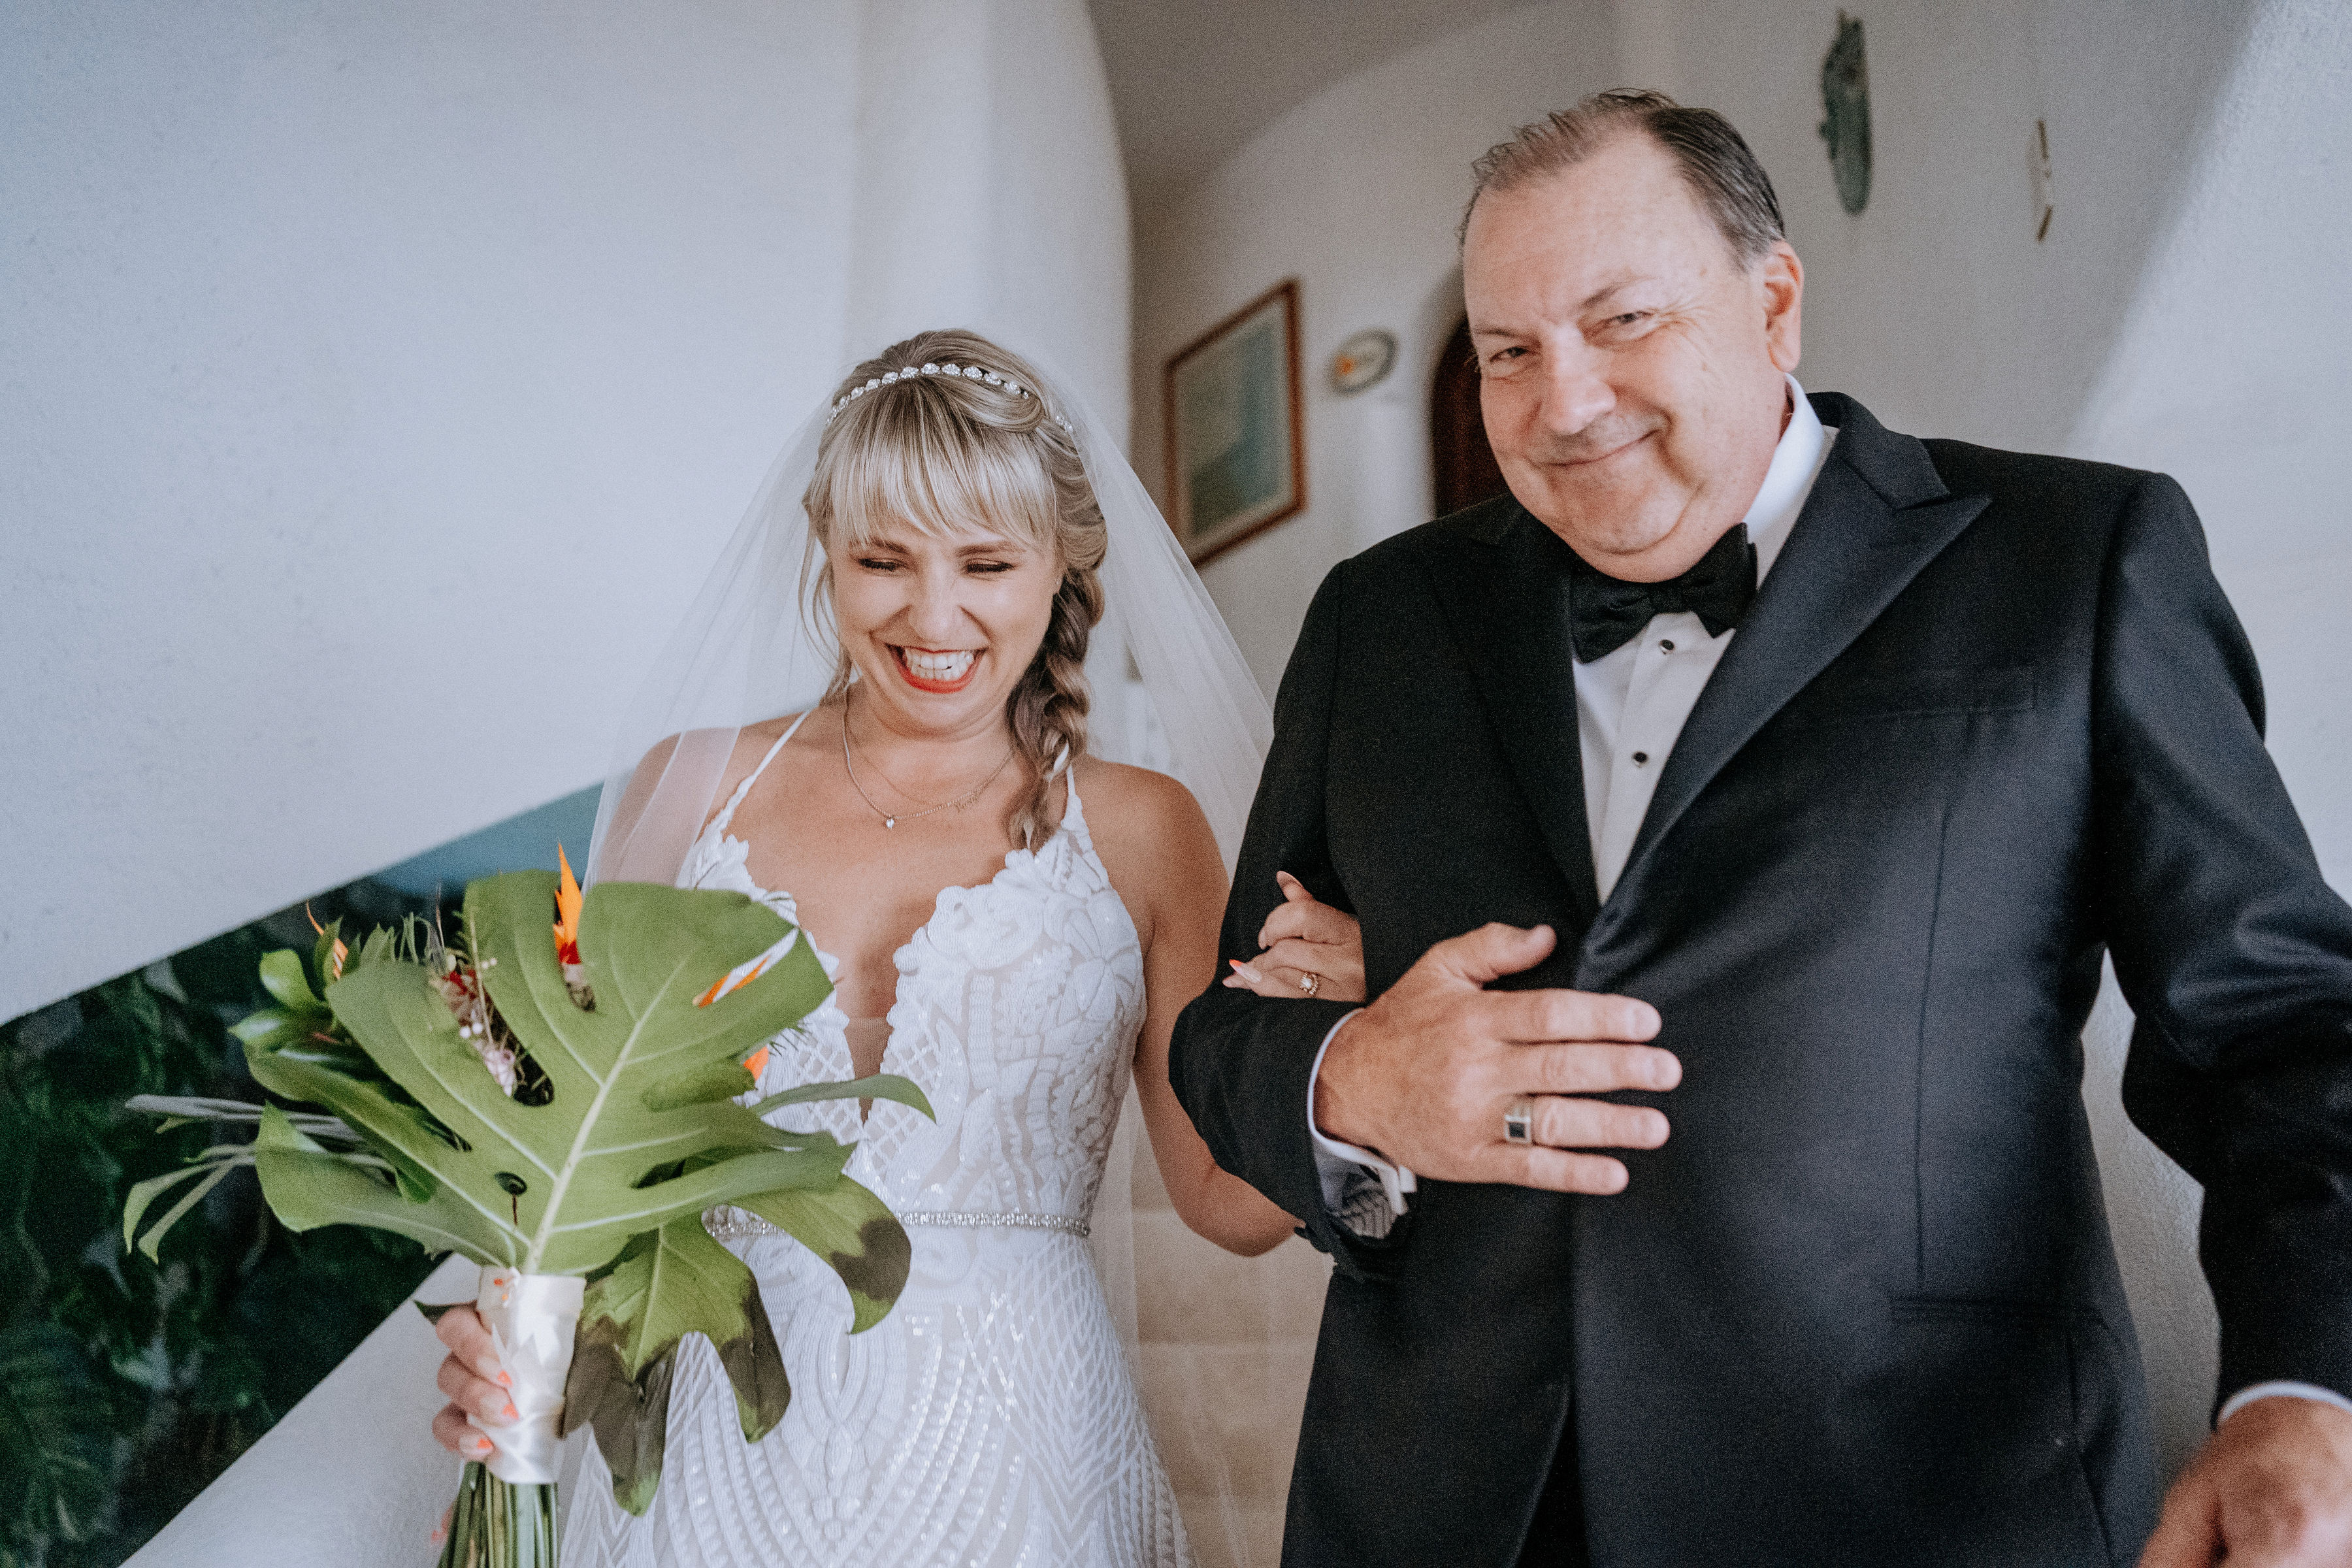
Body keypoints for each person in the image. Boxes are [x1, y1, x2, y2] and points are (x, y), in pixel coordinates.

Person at [1169, 92, 2352, 1568]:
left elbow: (2289, 1031)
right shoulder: (1381, 620)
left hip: (1920, 1502)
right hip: (1441, 1511)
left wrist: (2311, 1392)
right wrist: (1355, 1078)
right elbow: (1222, 1041)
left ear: (1775, 300)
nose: (1566, 401)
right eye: (1509, 354)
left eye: (1623, 321)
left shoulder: (2075, 559)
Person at [425, 329, 1368, 1567]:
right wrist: (508, 1398)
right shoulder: (693, 788)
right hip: (705, 1447)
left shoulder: (1147, 829)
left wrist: (1340, 1034)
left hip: (1025, 1456)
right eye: (883, 559)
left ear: (1063, 565)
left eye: (985, 561)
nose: (934, 614)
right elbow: (578, 1177)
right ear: (825, 545)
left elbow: (1227, 1206)